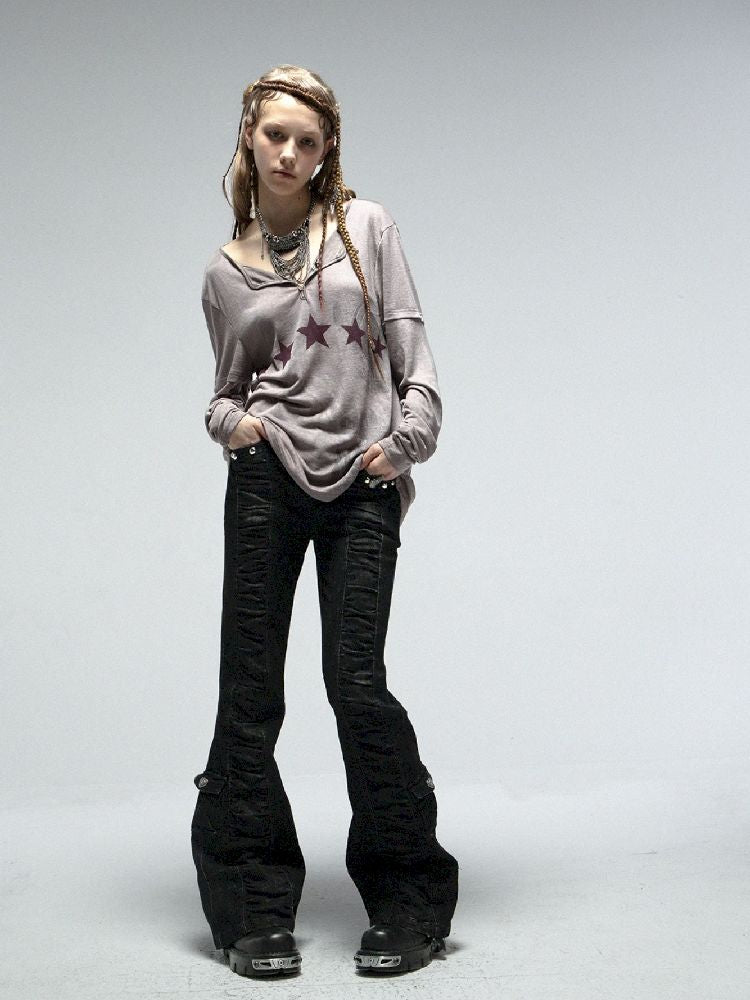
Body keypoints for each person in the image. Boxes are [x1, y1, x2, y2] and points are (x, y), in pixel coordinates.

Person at [190, 64, 459, 979]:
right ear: (250, 136)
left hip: (364, 478)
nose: (290, 153)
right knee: (250, 691)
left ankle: (409, 900)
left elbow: (414, 350)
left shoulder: (366, 227)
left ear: (326, 149)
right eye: (276, 135)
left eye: (307, 140)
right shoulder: (226, 272)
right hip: (267, 477)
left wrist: (407, 441)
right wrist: (239, 428)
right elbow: (225, 391)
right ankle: (251, 906)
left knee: (356, 682)